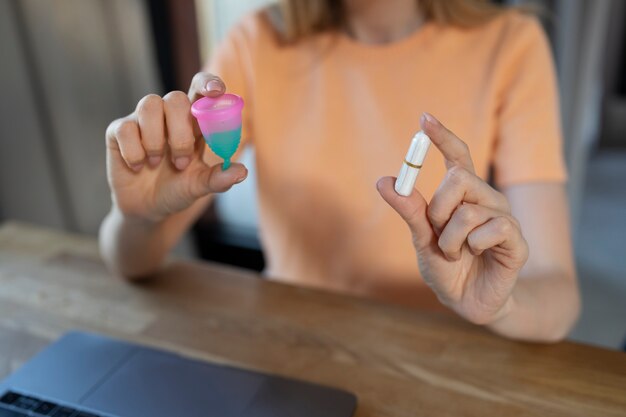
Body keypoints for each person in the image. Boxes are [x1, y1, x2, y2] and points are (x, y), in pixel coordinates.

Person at [99, 0, 580, 342]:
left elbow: (558, 296)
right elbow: (131, 261)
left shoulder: (512, 45)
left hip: (444, 355)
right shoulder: (257, 42)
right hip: (294, 349)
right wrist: (141, 217)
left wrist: (501, 304)